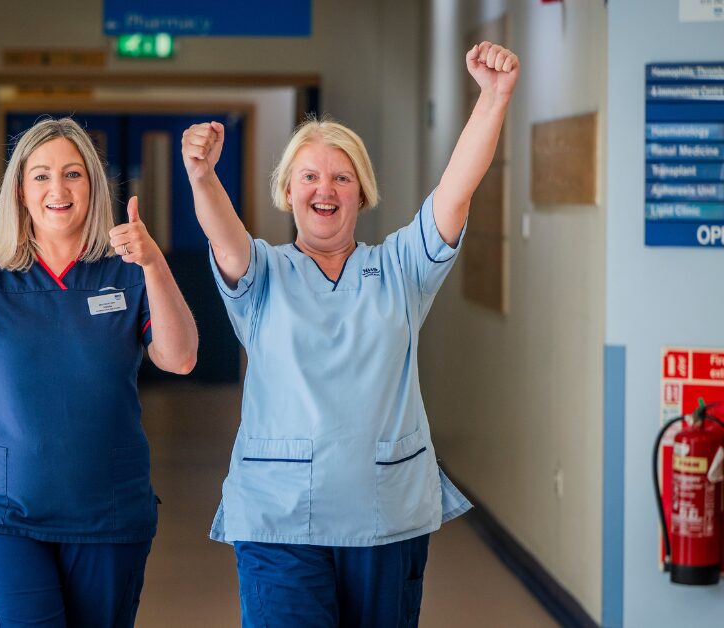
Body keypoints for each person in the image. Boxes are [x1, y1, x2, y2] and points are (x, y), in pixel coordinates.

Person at [180, 42, 519, 626]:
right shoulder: (263, 274)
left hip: (385, 516)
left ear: (362, 192)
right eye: (309, 176)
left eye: (341, 177)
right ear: (288, 192)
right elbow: (226, 240)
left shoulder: (400, 269)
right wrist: (202, 178)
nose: (325, 189)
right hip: (278, 519)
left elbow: (454, 193)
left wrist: (492, 99)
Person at [0, 118, 198, 627]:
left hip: (106, 511)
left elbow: (179, 358)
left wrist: (154, 263)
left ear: (92, 186)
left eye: (73, 174)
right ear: (20, 190)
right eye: (41, 175)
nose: (58, 189)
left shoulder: (128, 270)